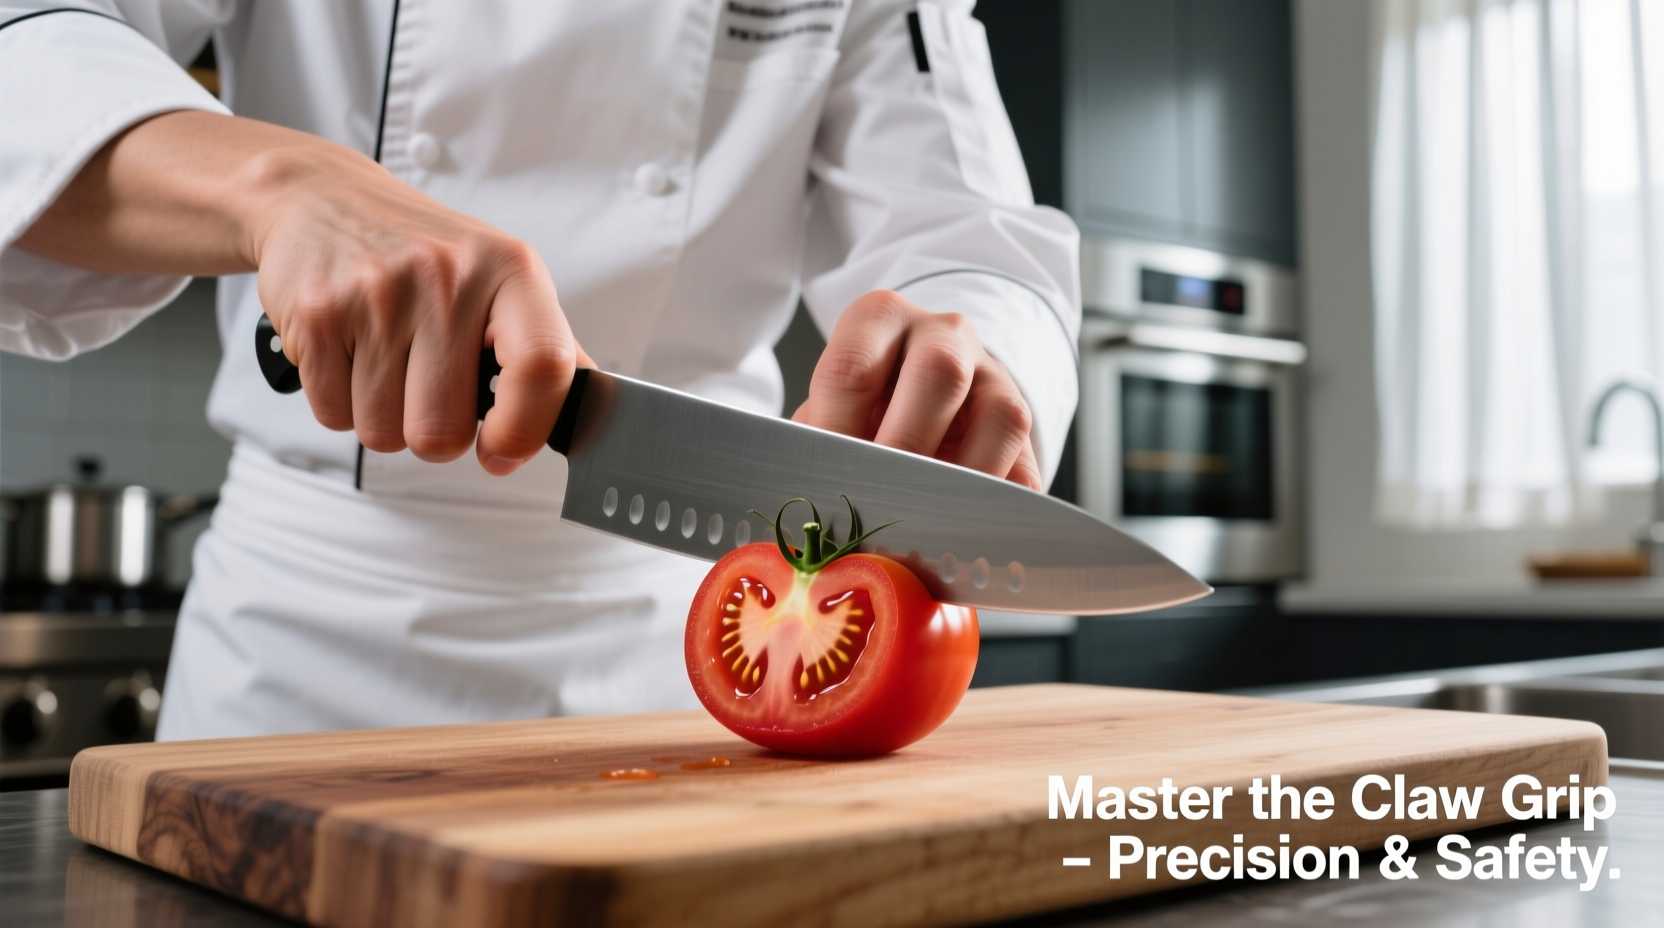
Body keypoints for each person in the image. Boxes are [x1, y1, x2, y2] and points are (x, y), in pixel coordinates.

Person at [0, 1, 1081, 739]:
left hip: (690, 647)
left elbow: (967, 225)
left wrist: (980, 344)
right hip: (305, 649)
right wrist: (276, 188)